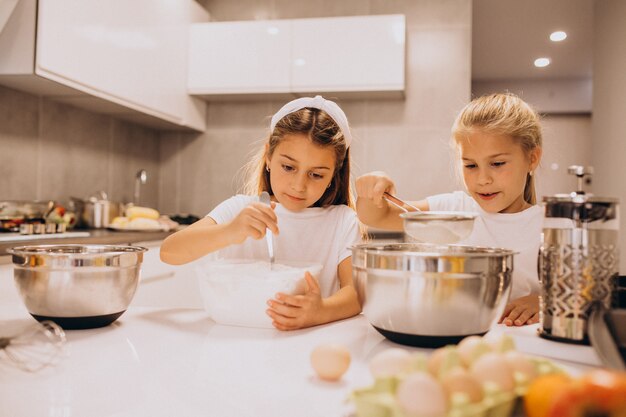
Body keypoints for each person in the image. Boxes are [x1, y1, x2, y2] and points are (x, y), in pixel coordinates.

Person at [160, 95, 362, 330]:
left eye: (316, 174)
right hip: (236, 342)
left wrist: (321, 311)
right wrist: (229, 231)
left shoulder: (342, 221)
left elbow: (356, 293)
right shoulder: (239, 209)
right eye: (288, 167)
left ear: (333, 176)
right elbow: (169, 252)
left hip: (307, 344)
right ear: (268, 157)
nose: (298, 185)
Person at [355, 93, 543, 327]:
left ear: (532, 158)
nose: (483, 179)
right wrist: (371, 188)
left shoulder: (549, 227)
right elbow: (376, 216)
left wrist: (545, 301)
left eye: (497, 164)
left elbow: (586, 295)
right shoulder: (454, 209)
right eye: (470, 165)